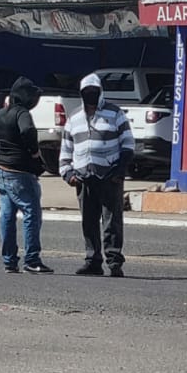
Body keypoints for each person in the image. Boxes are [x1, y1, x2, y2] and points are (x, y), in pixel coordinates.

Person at [60, 73, 134, 277]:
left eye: (95, 91)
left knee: (112, 222)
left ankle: (114, 262)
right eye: (87, 92)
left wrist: (119, 172)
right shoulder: (74, 117)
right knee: (88, 222)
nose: (91, 95)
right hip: (83, 178)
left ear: (100, 92)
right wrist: (69, 175)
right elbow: (66, 150)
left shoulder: (115, 113)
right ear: (82, 93)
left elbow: (128, 144)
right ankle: (92, 261)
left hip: (110, 177)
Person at [0, 77, 53, 275]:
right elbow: (28, 131)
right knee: (32, 214)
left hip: (1, 170)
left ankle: (9, 260)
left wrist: (2, 145)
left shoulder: (2, 113)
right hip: (20, 173)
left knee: (7, 216)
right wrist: (33, 151)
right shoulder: (22, 113)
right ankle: (32, 259)